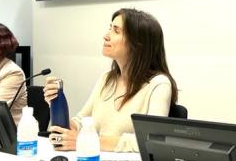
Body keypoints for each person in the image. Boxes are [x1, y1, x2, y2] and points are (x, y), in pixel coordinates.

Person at [44, 8, 177, 152]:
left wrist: (86, 141)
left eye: (116, 31)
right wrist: (56, 105)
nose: (106, 36)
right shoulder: (107, 79)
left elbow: (151, 140)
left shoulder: (159, 84)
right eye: (110, 29)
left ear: (137, 44)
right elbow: (81, 122)